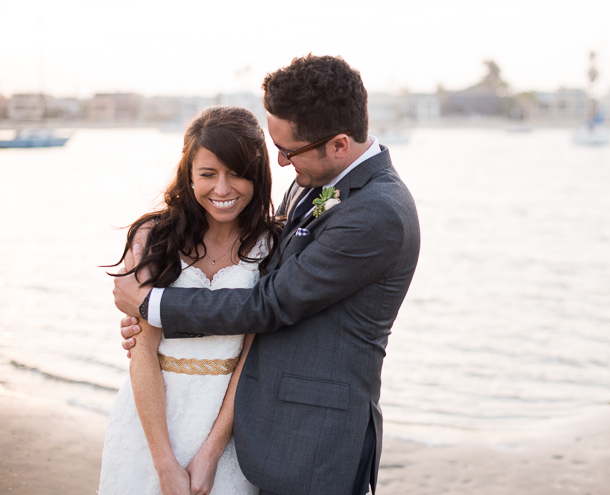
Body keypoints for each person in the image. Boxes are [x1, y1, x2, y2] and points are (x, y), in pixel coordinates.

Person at [114, 55, 421, 495]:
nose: (277, 162)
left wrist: (151, 304)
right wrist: (144, 321)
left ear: (338, 144)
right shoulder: (311, 179)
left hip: (313, 435)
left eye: (288, 151)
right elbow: (264, 269)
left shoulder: (377, 212)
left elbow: (271, 302)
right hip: (262, 421)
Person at [100, 106, 281, 495]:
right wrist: (164, 464)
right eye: (208, 174)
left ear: (258, 174)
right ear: (189, 174)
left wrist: (212, 452)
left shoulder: (272, 246)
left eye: (237, 172)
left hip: (228, 424)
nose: (222, 189)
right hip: (151, 421)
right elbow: (143, 349)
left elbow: (252, 356)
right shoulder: (154, 236)